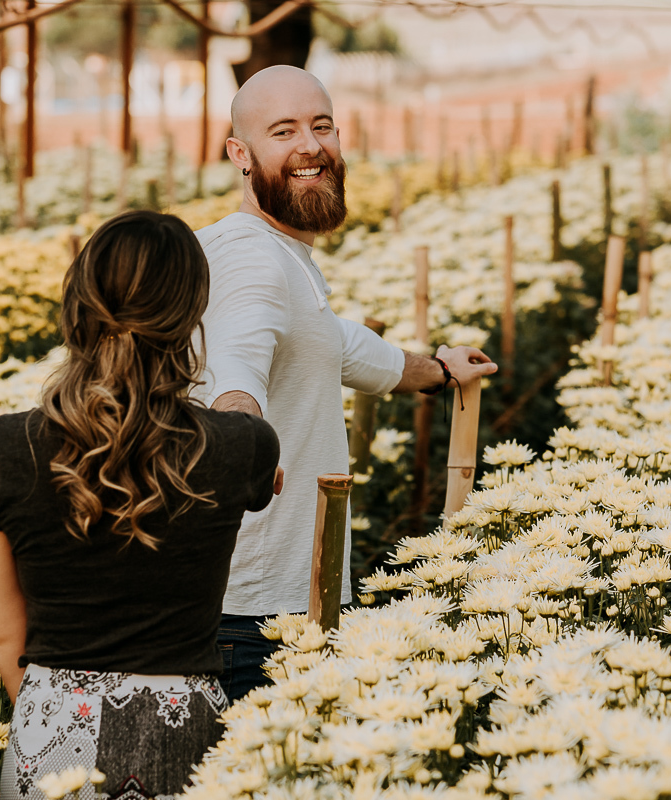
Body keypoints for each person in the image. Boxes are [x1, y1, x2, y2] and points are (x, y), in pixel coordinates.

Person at [195, 66, 498, 703]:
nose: (310, 145)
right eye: (283, 131)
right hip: (251, 620)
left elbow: (338, 345)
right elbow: (236, 367)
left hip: (269, 605)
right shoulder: (251, 260)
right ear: (240, 154)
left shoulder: (269, 253)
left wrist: (439, 370)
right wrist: (242, 436)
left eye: (322, 126)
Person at [0, 210, 282, 800]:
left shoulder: (3, 448)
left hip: (53, 719)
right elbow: (259, 466)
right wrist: (250, 447)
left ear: (77, 303)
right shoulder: (243, 447)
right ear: (192, 315)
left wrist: (60, 711)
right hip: (184, 726)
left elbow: (3, 637)